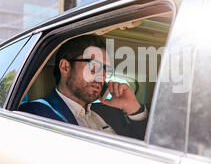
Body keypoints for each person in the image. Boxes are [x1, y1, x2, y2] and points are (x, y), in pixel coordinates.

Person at [19, 35, 148, 140]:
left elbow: (147, 148)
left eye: (106, 70)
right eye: (94, 67)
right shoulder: (36, 114)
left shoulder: (110, 112)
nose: (102, 77)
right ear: (65, 67)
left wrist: (133, 108)